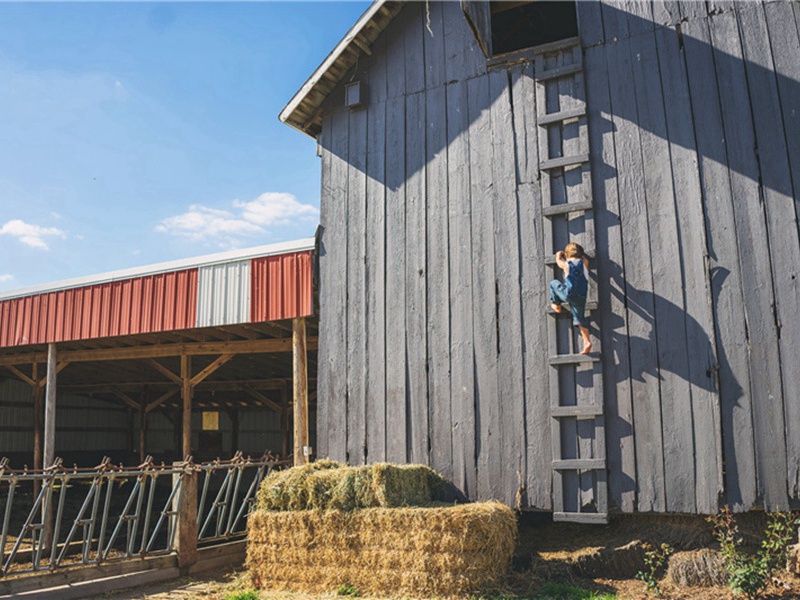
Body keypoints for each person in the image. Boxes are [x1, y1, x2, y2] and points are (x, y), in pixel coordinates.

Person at [549, 242, 592, 354]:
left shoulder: (566, 264)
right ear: (581, 255)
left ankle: (556, 304)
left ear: (567, 255)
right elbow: (583, 258)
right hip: (581, 296)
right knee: (579, 318)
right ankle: (587, 341)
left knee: (553, 283)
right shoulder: (585, 263)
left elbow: (559, 262)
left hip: (569, 294)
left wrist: (558, 255)